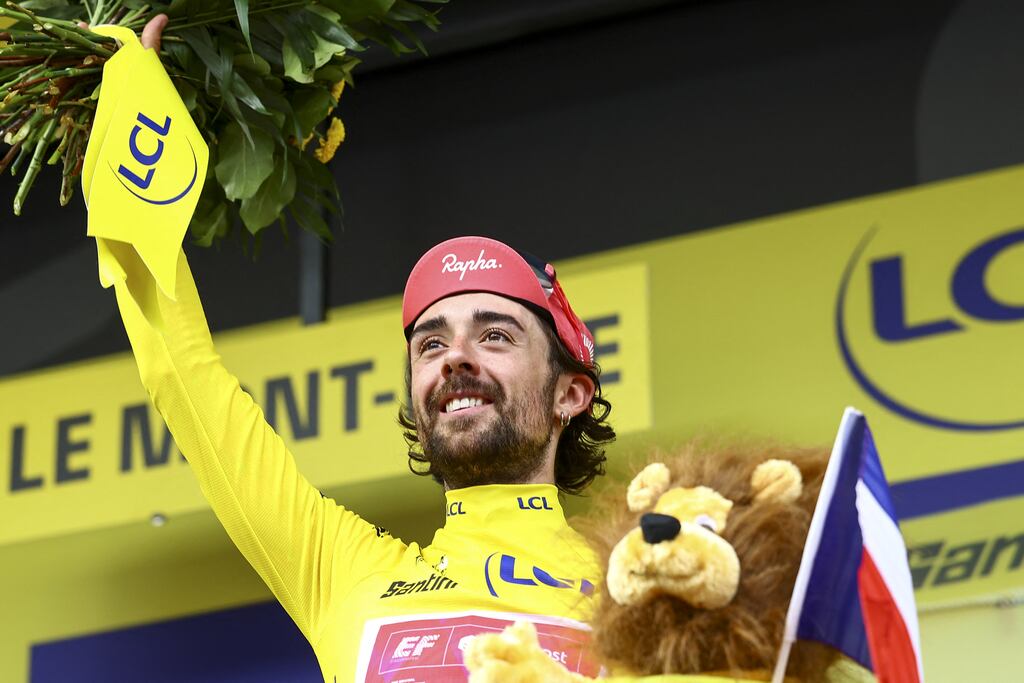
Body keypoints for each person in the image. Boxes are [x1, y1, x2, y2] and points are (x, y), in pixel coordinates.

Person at [105, 18, 616, 682]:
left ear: (568, 393)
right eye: (431, 344)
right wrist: (126, 140)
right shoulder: (343, 570)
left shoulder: (642, 591)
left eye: (494, 334)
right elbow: (187, 380)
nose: (455, 357)